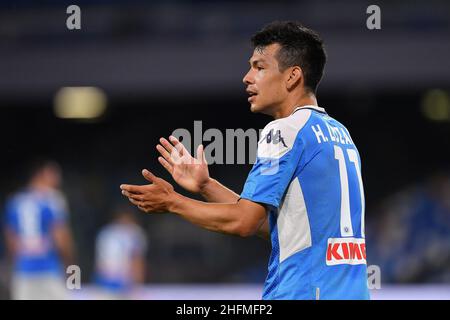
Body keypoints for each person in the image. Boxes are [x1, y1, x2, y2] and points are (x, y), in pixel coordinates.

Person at [120, 21, 369, 300]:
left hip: (304, 292)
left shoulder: (284, 130)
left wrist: (172, 202)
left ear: (292, 76)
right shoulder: (339, 133)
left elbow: (244, 222)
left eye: (259, 67)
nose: (247, 77)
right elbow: (281, 231)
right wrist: (206, 185)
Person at [3, 159, 75, 300]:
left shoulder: (15, 201)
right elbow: (61, 238)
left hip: (23, 270)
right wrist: (71, 266)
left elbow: (10, 241)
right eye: (54, 174)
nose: (58, 179)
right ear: (41, 174)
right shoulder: (53, 199)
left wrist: (13, 266)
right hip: (49, 269)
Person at [93, 208, 147, 299]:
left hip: (112, 282)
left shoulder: (105, 232)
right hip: (117, 283)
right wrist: (138, 283)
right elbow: (137, 260)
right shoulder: (134, 233)